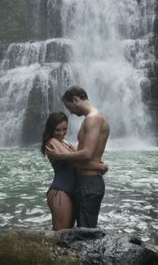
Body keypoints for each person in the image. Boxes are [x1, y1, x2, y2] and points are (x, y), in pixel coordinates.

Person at [46, 85, 110, 228]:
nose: (70, 112)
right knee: (82, 232)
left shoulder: (92, 119)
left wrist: (58, 156)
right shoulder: (93, 118)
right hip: (86, 182)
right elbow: (84, 155)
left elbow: (86, 154)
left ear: (76, 100)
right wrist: (99, 166)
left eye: (69, 107)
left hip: (89, 182)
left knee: (86, 233)